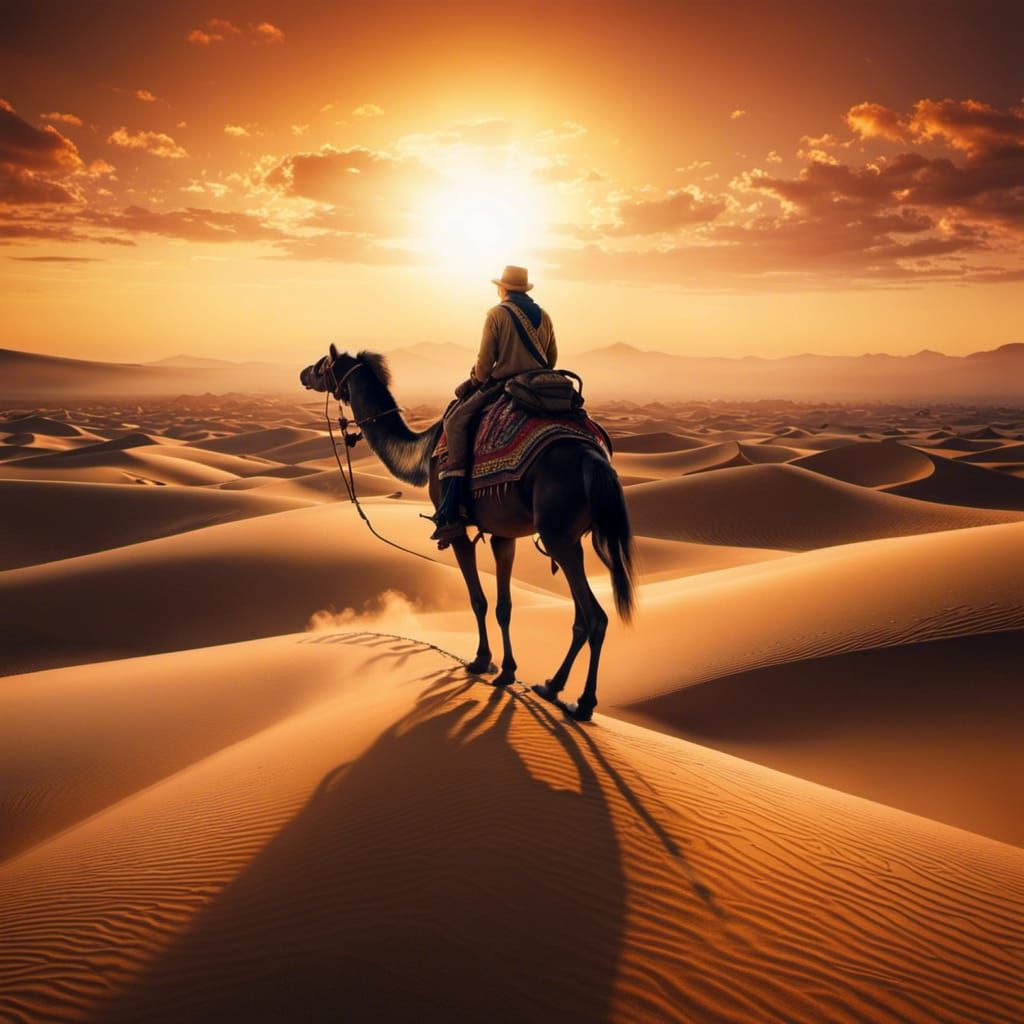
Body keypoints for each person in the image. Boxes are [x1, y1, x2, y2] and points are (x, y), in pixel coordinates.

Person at [429, 265, 558, 541]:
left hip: (506, 385)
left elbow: (485, 365)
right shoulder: (544, 316)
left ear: (502, 289)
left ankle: (454, 507)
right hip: (542, 384)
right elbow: (552, 359)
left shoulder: (497, 314)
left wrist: (474, 379)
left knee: (454, 423)